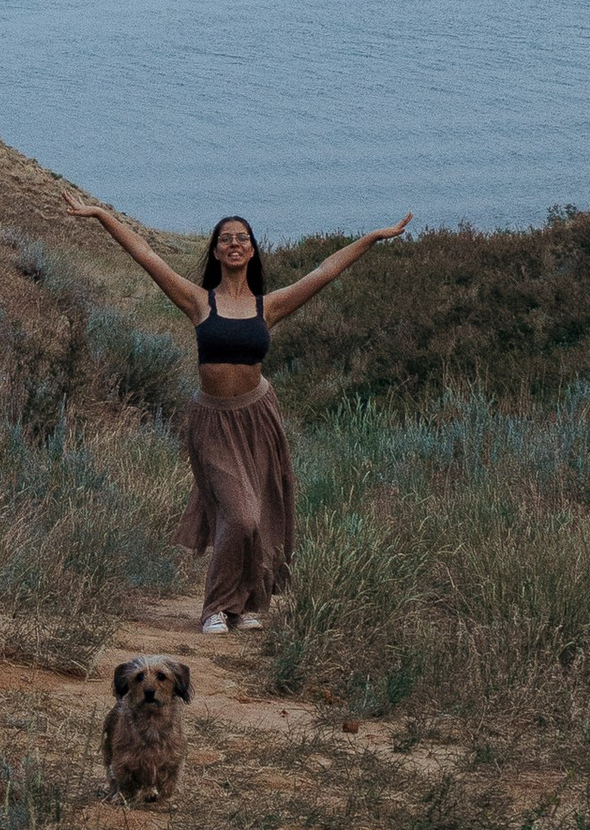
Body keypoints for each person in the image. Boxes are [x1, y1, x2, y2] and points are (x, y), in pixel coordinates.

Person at [58, 195, 413, 632]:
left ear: (252, 249)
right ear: (215, 251)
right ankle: (214, 608)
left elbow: (325, 271)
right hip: (212, 420)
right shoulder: (198, 302)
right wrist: (101, 216)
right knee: (240, 515)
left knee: (258, 516)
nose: (234, 244)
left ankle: (242, 606)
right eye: (225, 239)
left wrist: (374, 237)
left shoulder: (270, 306)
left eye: (242, 238)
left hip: (259, 416)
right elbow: (145, 255)